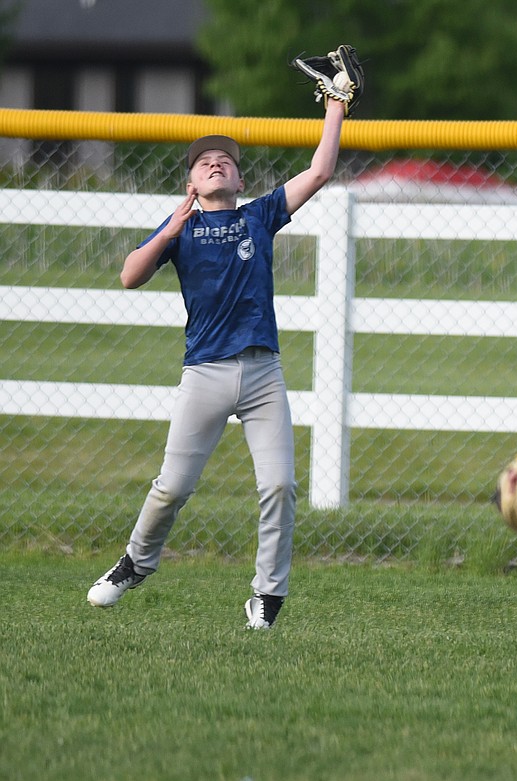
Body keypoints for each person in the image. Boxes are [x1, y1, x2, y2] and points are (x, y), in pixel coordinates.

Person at [86, 96, 346, 629]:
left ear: (238, 179)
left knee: (278, 485)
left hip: (261, 374)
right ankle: (135, 562)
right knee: (173, 486)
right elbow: (129, 276)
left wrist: (336, 105)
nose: (214, 163)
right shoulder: (180, 229)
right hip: (204, 373)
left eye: (225, 159)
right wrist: (168, 231)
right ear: (192, 185)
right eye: (203, 162)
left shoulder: (259, 216)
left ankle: (266, 596)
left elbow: (320, 170)